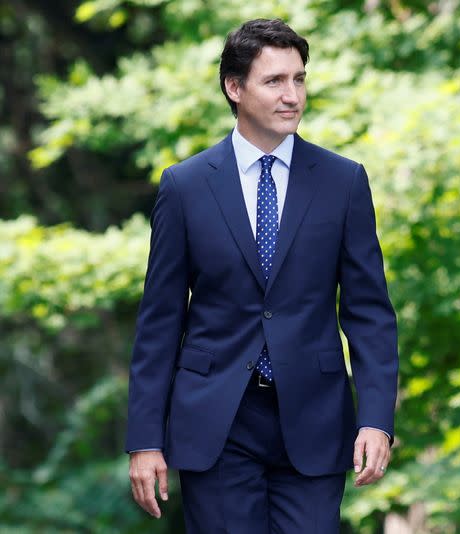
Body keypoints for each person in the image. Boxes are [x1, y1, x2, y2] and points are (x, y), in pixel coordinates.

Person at [125, 18, 399, 532]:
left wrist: (376, 419)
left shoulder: (344, 182)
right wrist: (145, 439)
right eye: (274, 81)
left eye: (299, 79)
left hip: (315, 419)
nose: (291, 95)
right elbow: (159, 322)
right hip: (216, 422)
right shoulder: (184, 187)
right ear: (235, 87)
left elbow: (369, 314)